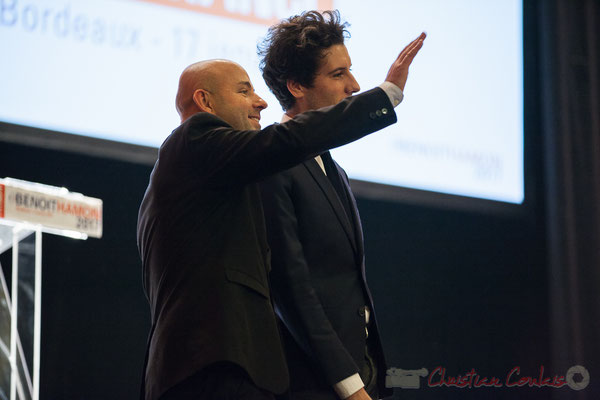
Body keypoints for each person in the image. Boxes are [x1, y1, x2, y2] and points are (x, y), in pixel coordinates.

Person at [136, 31, 425, 400]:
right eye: (244, 91)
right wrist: (386, 95)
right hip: (212, 370)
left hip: (227, 370)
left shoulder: (215, 171)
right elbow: (285, 142)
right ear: (204, 101)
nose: (260, 103)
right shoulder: (193, 141)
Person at [258, 11, 418, 400]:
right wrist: (348, 386)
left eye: (351, 71)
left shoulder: (334, 169)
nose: (354, 85)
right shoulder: (272, 162)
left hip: (362, 377)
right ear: (296, 86)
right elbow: (293, 292)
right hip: (314, 384)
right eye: (337, 74)